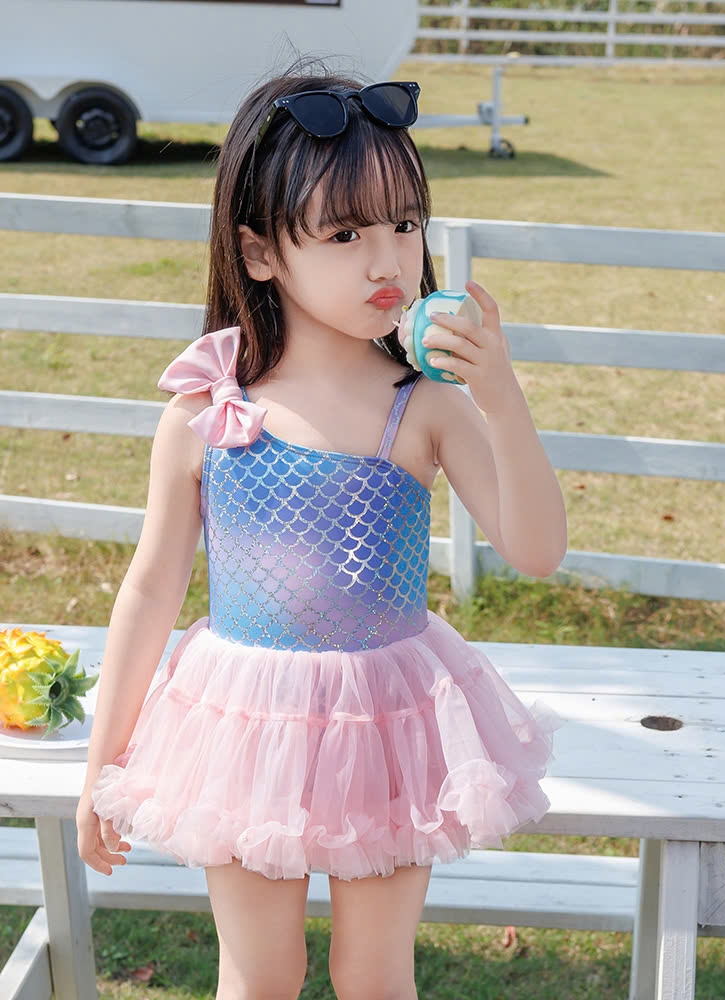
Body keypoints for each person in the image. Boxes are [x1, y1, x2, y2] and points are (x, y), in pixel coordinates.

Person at [75, 68, 567, 1000]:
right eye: (345, 235)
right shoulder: (205, 411)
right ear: (260, 252)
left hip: (388, 722)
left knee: (373, 977)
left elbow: (537, 551)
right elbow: (151, 590)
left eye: (405, 225)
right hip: (240, 724)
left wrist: (501, 396)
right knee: (261, 976)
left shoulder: (425, 408)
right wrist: (104, 767)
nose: (388, 262)